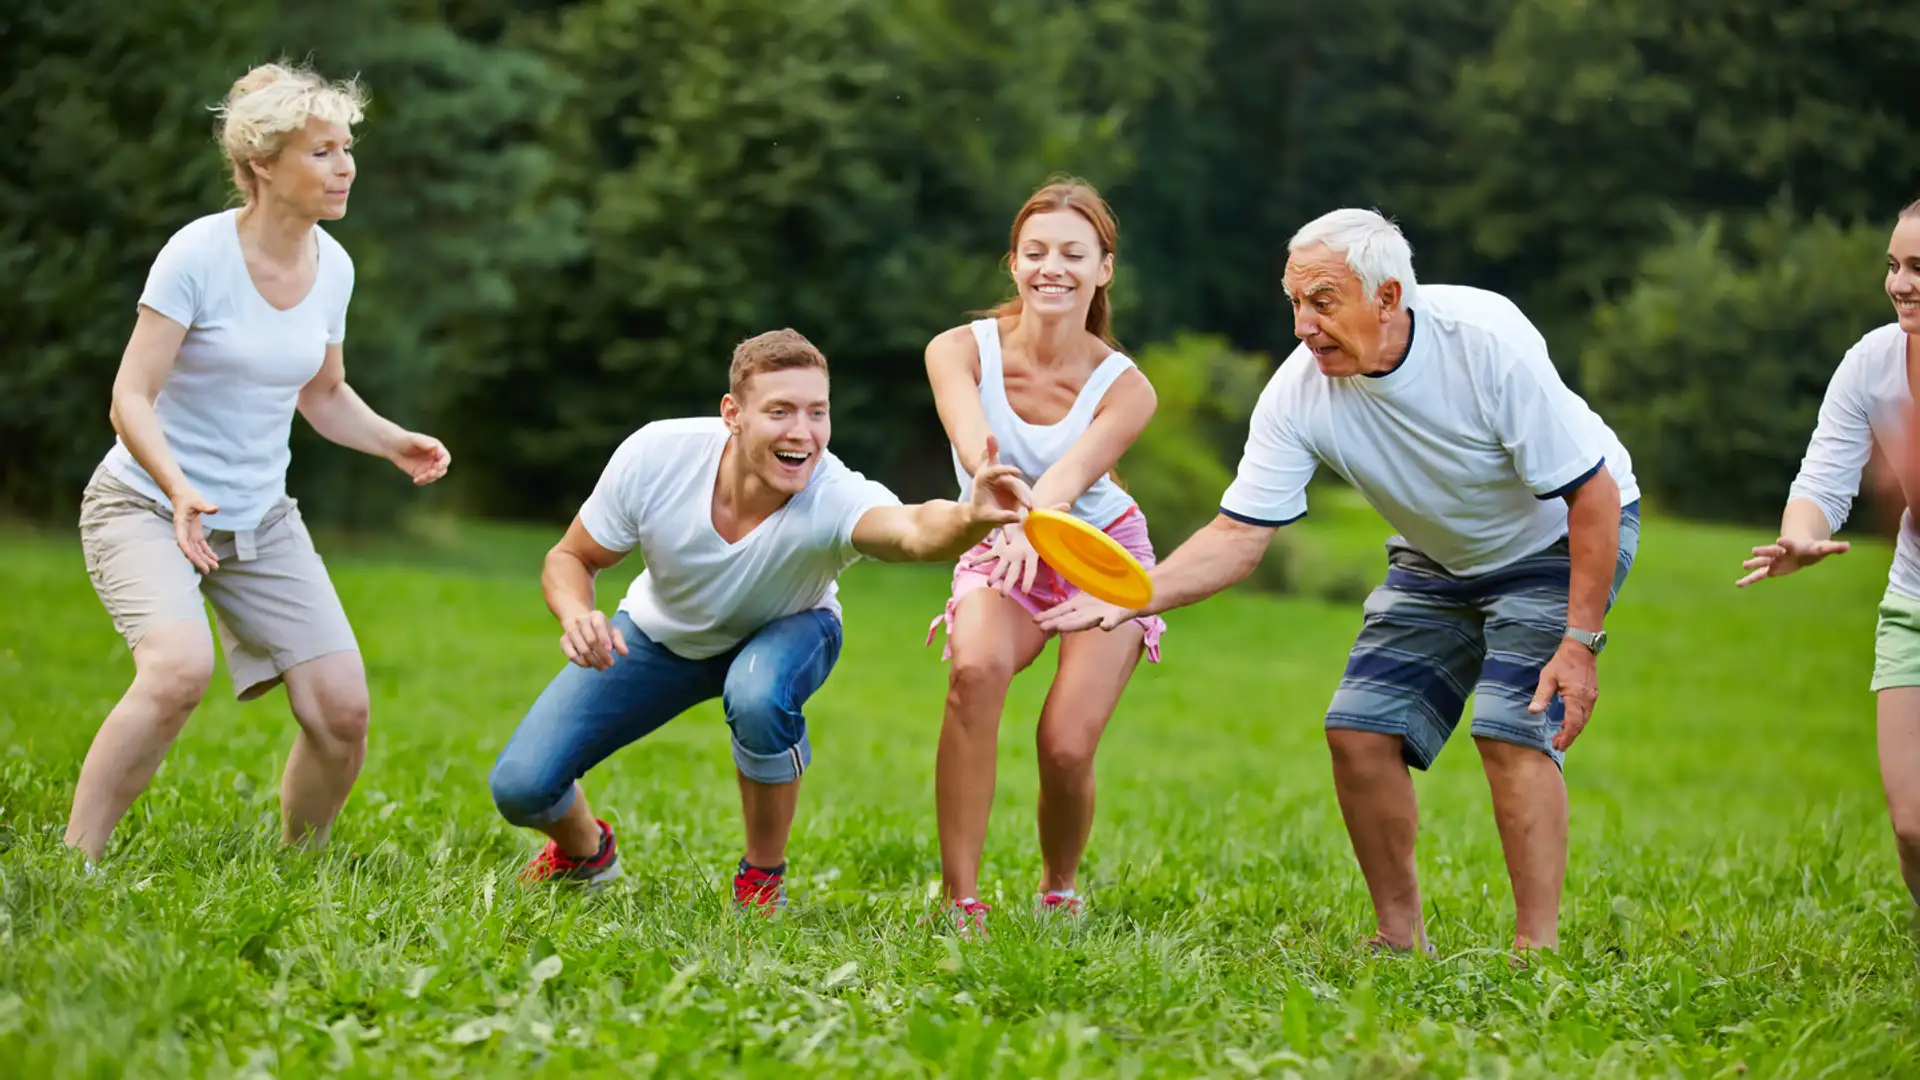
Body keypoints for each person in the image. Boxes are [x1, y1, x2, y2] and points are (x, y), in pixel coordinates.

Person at [1039, 208, 1640, 957]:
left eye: (1322, 301)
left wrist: (1579, 643)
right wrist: (1134, 592)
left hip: (1557, 536)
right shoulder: (1299, 395)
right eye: (1294, 303)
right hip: (1436, 553)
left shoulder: (1485, 341)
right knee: (1358, 732)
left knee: (1511, 729)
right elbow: (1237, 535)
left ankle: (1535, 953)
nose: (1302, 324)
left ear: (1388, 297)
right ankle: (1398, 936)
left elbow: (1594, 494)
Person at [488, 328, 1031, 911]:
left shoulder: (834, 494)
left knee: (757, 692)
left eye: (817, 412)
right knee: (521, 786)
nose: (802, 432)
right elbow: (571, 557)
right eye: (780, 411)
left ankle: (762, 878)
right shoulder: (657, 456)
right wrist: (577, 612)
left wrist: (973, 515)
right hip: (658, 634)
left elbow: (914, 529)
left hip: (791, 629)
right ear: (733, 414)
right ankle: (585, 854)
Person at [67, 61, 451, 866]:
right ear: (262, 164)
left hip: (259, 518)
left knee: (342, 711)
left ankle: (296, 868)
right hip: (144, 502)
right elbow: (129, 398)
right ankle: (76, 862)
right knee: (177, 672)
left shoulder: (332, 265)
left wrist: (390, 440)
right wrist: (176, 488)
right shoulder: (198, 254)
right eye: (321, 151)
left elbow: (324, 392)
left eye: (347, 148)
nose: (344, 165)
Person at [922, 177, 1164, 933]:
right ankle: (961, 899)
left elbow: (1070, 474)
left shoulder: (1128, 389)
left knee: (1063, 744)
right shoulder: (958, 350)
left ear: (1104, 269)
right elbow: (971, 436)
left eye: (1072, 253)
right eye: (1035, 252)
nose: (1050, 268)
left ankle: (1058, 886)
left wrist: (1034, 510)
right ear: (1014, 263)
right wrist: (993, 489)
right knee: (974, 671)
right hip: (1001, 539)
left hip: (1098, 553)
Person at [1734, 198, 1920, 911]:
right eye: (1893, 266)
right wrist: (1801, 533)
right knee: (1911, 828)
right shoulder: (1873, 364)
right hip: (1913, 602)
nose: (1900, 283)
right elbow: (1823, 476)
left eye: (1917, 268)